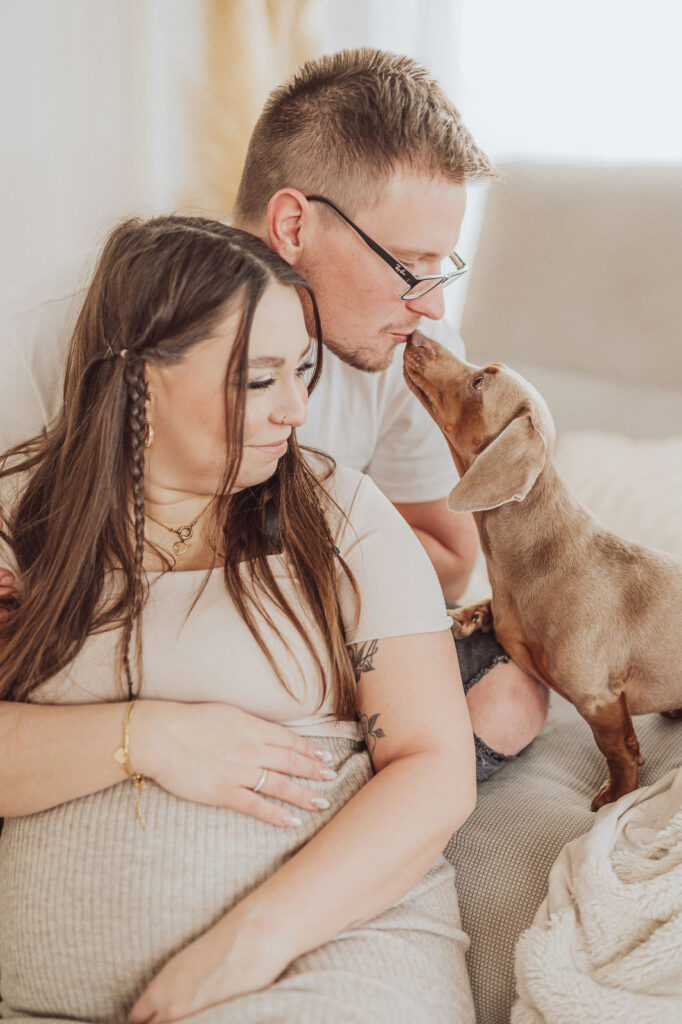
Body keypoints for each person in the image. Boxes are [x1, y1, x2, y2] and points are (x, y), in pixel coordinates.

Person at [0, 48, 548, 784]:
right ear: (292, 225)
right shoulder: (64, 332)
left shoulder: (412, 354)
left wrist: (288, 596)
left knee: (515, 688)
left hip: (323, 646)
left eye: (443, 268)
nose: (432, 305)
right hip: (108, 652)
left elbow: (449, 563)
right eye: (411, 268)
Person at [0, 216, 477, 1022]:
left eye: (303, 370)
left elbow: (436, 770)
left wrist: (250, 941)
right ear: (138, 379)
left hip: (324, 967)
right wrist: (146, 737)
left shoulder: (343, 516)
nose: (296, 409)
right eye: (259, 381)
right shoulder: (23, 519)